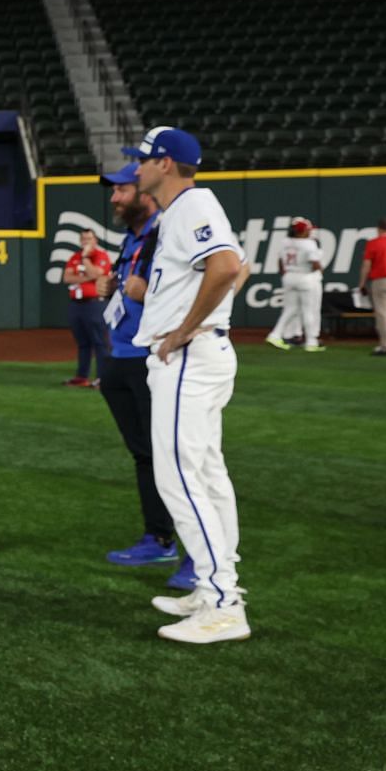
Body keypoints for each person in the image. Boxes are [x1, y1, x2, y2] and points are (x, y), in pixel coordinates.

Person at [124, 126, 250, 644]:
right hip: (203, 352)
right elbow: (238, 267)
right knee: (207, 474)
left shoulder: (193, 203)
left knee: (181, 479)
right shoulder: (187, 209)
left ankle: (223, 603)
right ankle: (215, 586)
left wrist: (181, 329)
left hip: (190, 359)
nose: (136, 168)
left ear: (166, 164)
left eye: (143, 160)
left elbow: (225, 267)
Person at [96, 164, 180, 572]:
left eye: (121, 191)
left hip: (148, 359)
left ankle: (172, 539)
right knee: (144, 453)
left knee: (165, 453)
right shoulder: (132, 238)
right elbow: (127, 286)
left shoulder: (167, 231)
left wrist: (148, 293)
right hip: (118, 356)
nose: (114, 198)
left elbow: (205, 282)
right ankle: (158, 534)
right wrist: (112, 286)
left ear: (144, 192)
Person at [62, 229, 115, 386]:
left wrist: (85, 258)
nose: (86, 242)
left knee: (100, 342)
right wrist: (87, 276)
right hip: (77, 305)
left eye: (89, 239)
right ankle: (82, 377)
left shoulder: (101, 256)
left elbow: (97, 274)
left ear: (95, 241)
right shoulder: (74, 257)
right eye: (83, 239)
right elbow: (66, 277)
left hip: (95, 304)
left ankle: (102, 378)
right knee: (83, 342)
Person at [267, 217, 325, 352]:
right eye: (308, 230)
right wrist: (320, 268)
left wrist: (286, 275)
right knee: (308, 310)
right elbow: (315, 265)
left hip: (289, 276)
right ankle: (311, 342)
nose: (310, 232)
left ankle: (275, 334)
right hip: (305, 277)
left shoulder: (284, 242)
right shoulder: (309, 244)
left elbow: (280, 263)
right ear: (302, 231)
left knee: (290, 309)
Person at [358, 217, 386, 356]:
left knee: (383, 314)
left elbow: (367, 265)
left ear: (379, 229)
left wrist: (361, 283)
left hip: (381, 280)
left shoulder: (374, 243)